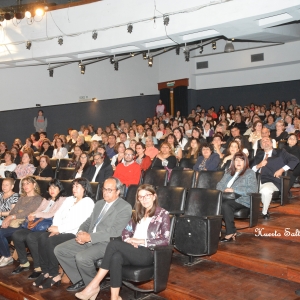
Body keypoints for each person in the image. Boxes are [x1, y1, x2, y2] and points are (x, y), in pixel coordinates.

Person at [75, 183, 170, 300]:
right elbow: (125, 232)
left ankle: (94, 285)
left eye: (147, 196)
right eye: (140, 197)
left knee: (114, 244)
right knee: (116, 257)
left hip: (148, 252)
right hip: (132, 250)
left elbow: (165, 240)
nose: (144, 199)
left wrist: (141, 241)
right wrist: (129, 240)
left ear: (154, 196)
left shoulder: (162, 214)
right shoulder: (137, 214)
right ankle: (115, 297)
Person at [54, 177, 132, 292]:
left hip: (107, 243)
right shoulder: (100, 203)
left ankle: (92, 287)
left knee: (82, 257)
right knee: (59, 250)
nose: (105, 192)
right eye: (104, 189)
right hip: (89, 238)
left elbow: (115, 232)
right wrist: (81, 232)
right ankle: (81, 280)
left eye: (109, 190)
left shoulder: (124, 207)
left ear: (118, 191)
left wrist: (90, 237)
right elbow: (88, 221)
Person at [24, 178, 95, 289]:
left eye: (77, 186)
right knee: (42, 238)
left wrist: (60, 229)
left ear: (84, 188)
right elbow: (58, 214)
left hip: (73, 232)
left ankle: (54, 274)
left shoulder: (88, 202)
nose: (74, 189)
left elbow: (79, 222)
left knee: (50, 241)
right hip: (60, 229)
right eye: (73, 186)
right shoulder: (69, 199)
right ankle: (45, 271)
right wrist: (55, 228)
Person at [11, 179, 67, 277]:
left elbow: (52, 214)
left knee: (31, 237)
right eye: (50, 188)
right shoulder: (46, 199)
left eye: (54, 187)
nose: (51, 190)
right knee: (17, 235)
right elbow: (38, 210)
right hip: (37, 225)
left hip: (48, 227)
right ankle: (24, 262)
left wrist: (36, 214)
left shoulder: (63, 200)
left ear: (60, 189)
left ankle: (38, 266)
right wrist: (32, 215)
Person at [252, 137, 299, 219]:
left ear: (271, 143)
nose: (265, 142)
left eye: (267, 140)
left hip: (272, 180)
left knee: (265, 191)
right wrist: (259, 165)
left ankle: (264, 212)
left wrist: (282, 170)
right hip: (257, 180)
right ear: (261, 147)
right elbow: (251, 169)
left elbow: (295, 160)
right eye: (263, 141)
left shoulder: (280, 152)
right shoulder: (259, 155)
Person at [0, 176, 43, 267]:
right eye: (23, 184)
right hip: (15, 222)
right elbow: (14, 210)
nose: (25, 186)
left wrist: (10, 217)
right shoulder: (22, 198)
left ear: (34, 184)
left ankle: (7, 256)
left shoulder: (37, 198)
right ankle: (5, 255)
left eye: (28, 183)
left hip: (24, 224)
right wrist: (8, 219)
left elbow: (26, 213)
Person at [217, 152, 258, 242]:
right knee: (214, 202)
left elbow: (253, 190)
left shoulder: (250, 173)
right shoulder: (228, 172)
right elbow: (219, 185)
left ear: (245, 161)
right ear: (233, 162)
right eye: (236, 160)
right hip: (226, 196)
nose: (238, 162)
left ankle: (231, 232)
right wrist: (226, 189)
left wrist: (234, 190)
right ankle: (217, 230)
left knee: (225, 205)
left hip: (242, 199)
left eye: (241, 160)